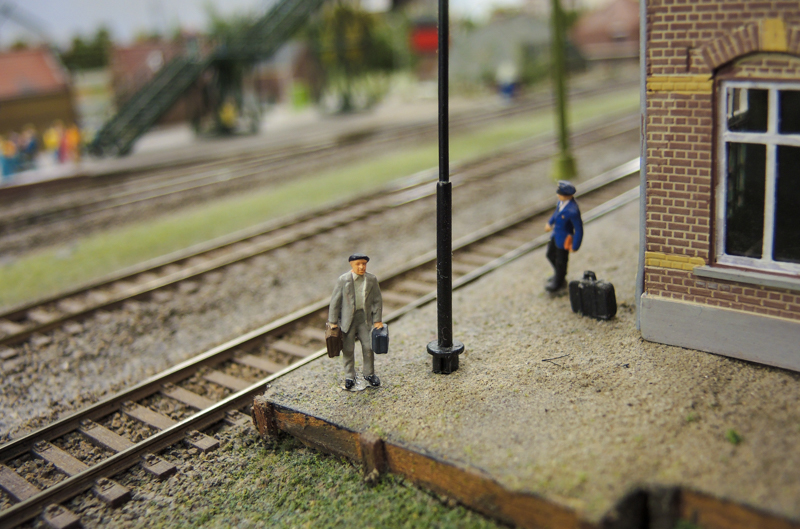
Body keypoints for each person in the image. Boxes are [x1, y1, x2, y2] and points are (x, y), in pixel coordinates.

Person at [328, 253, 384, 390]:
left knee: (368, 346)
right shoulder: (343, 280)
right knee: (348, 349)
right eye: (358, 264)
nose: (361, 267)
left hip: (365, 319)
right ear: (351, 265)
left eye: (364, 264)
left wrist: (377, 320)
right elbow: (335, 301)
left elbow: (377, 300)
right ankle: (349, 376)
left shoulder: (371, 279)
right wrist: (333, 321)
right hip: (348, 320)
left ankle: (369, 374)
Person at [544, 181, 583, 292]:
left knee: (561, 261)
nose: (558, 195)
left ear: (568, 196)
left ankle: (559, 281)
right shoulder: (561, 203)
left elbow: (579, 229)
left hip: (565, 239)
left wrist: (575, 245)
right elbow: (556, 214)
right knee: (550, 254)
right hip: (555, 235)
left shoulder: (573, 211)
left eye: (560, 194)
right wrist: (549, 222)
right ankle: (558, 274)